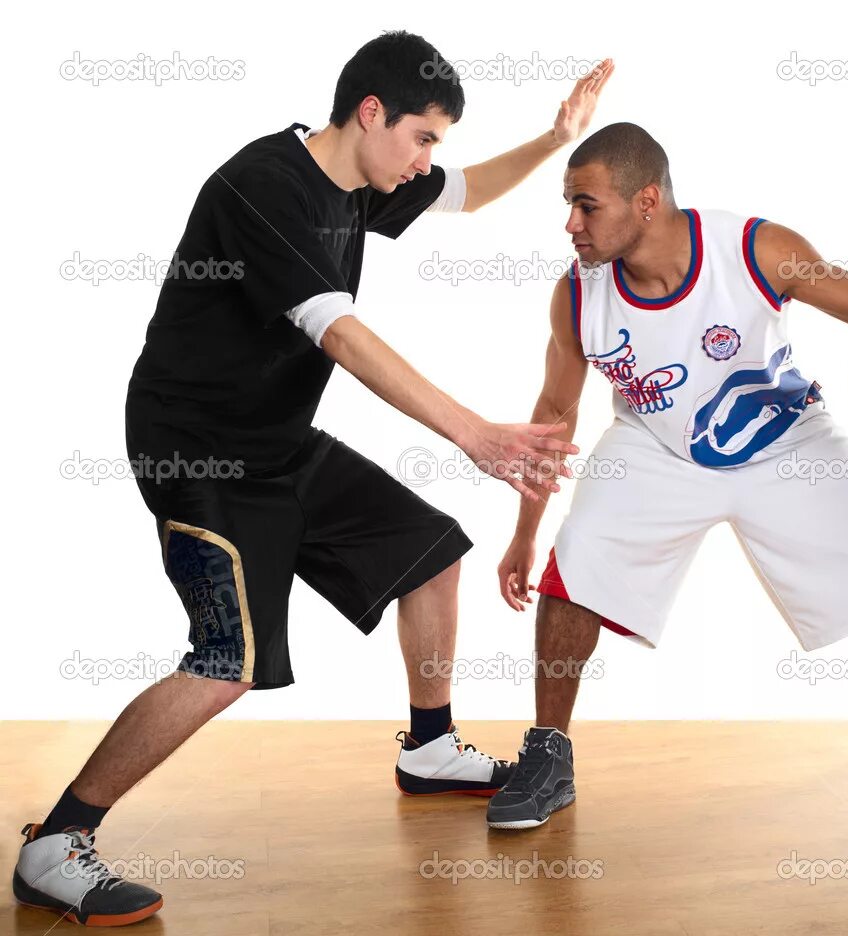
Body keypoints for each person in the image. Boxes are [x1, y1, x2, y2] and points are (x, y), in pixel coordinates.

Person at [14, 32, 613, 925]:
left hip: (278, 439)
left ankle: (431, 747)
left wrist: (553, 140)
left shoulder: (362, 182)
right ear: (370, 113)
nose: (427, 161)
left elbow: (473, 190)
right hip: (198, 450)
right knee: (229, 663)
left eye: (434, 145)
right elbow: (340, 335)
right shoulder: (262, 187)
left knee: (431, 552)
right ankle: (56, 844)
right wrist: (473, 434)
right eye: (423, 139)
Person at [485, 121, 848, 830]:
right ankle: (547, 753)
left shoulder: (756, 249)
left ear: (645, 202)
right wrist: (524, 535)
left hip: (784, 436)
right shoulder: (578, 295)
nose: (570, 223)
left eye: (585, 204)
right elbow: (553, 416)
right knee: (573, 565)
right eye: (569, 205)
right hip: (654, 447)